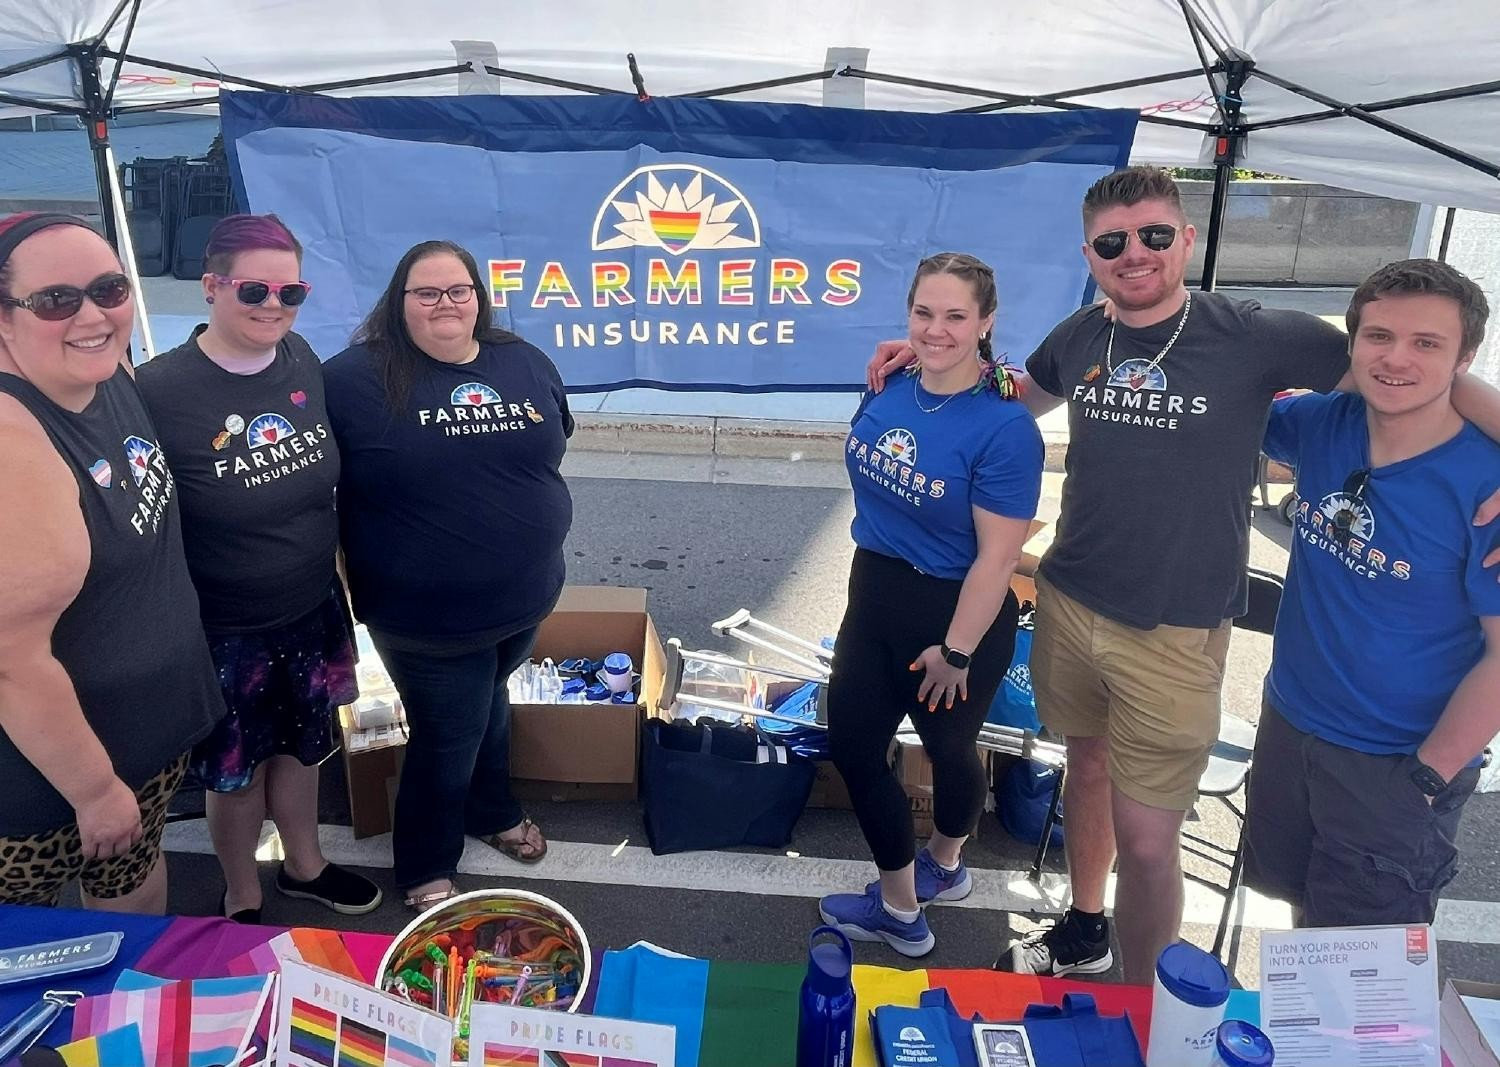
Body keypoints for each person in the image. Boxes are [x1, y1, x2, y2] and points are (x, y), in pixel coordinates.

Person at [866, 167, 1500, 983]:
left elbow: (1409, 366)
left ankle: (1148, 1002)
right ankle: (1086, 924)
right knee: (1084, 767)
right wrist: (931, 355)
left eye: (1156, 235)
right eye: (1113, 242)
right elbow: (1014, 394)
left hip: (1175, 632)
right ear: (1090, 254)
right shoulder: (1081, 335)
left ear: (1187, 240)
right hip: (1068, 599)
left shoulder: (1255, 334)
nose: (1136, 253)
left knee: (1151, 839)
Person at [135, 214, 381, 922]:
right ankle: (241, 886)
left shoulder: (299, 357)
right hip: (223, 628)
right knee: (236, 773)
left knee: (304, 751)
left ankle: (304, 866)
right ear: (212, 286)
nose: (274, 306)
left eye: (290, 291)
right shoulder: (159, 390)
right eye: (253, 290)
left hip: (309, 606)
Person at [1244, 259, 1500, 927]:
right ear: (1352, 344)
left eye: (1427, 343)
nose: (1396, 358)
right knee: (1301, 919)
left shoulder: (1484, 489)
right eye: (1379, 336)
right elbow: (1228, 384)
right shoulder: (1324, 422)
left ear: (1465, 357)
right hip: (1291, 726)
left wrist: (1424, 777)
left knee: (1363, 970)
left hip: (1395, 762)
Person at [323, 240, 574, 912]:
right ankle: (427, 862)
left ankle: (490, 809)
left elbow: (555, 436)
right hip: (425, 614)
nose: (445, 304)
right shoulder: (353, 379)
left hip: (524, 598)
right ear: (399, 303)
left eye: (458, 290)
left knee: (489, 700)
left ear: (478, 298)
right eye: (427, 292)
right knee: (448, 732)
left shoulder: (519, 358)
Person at [818, 253, 1043, 957]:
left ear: (986, 322)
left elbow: (998, 558)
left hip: (957, 613)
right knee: (854, 748)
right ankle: (899, 905)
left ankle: (945, 861)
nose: (935, 330)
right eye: (923, 313)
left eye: (954, 316)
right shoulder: (891, 382)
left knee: (950, 748)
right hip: (874, 592)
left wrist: (956, 652)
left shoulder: (1006, 428)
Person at [0, 213, 223, 911]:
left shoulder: (106, 366)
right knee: (23, 961)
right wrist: (94, 789)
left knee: (130, 896)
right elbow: (13, 661)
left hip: (142, 745)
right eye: (55, 300)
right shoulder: (15, 444)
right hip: (46, 787)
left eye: (109, 288)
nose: (92, 314)